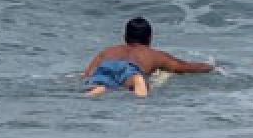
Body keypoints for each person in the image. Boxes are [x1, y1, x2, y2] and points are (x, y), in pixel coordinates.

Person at [82, 16, 215, 97]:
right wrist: (210, 67)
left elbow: (88, 74)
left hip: (106, 69)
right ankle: (140, 100)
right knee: (136, 80)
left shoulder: (108, 52)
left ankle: (100, 89)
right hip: (130, 71)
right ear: (150, 38)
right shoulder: (153, 55)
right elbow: (185, 67)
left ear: (124, 38)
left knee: (103, 84)